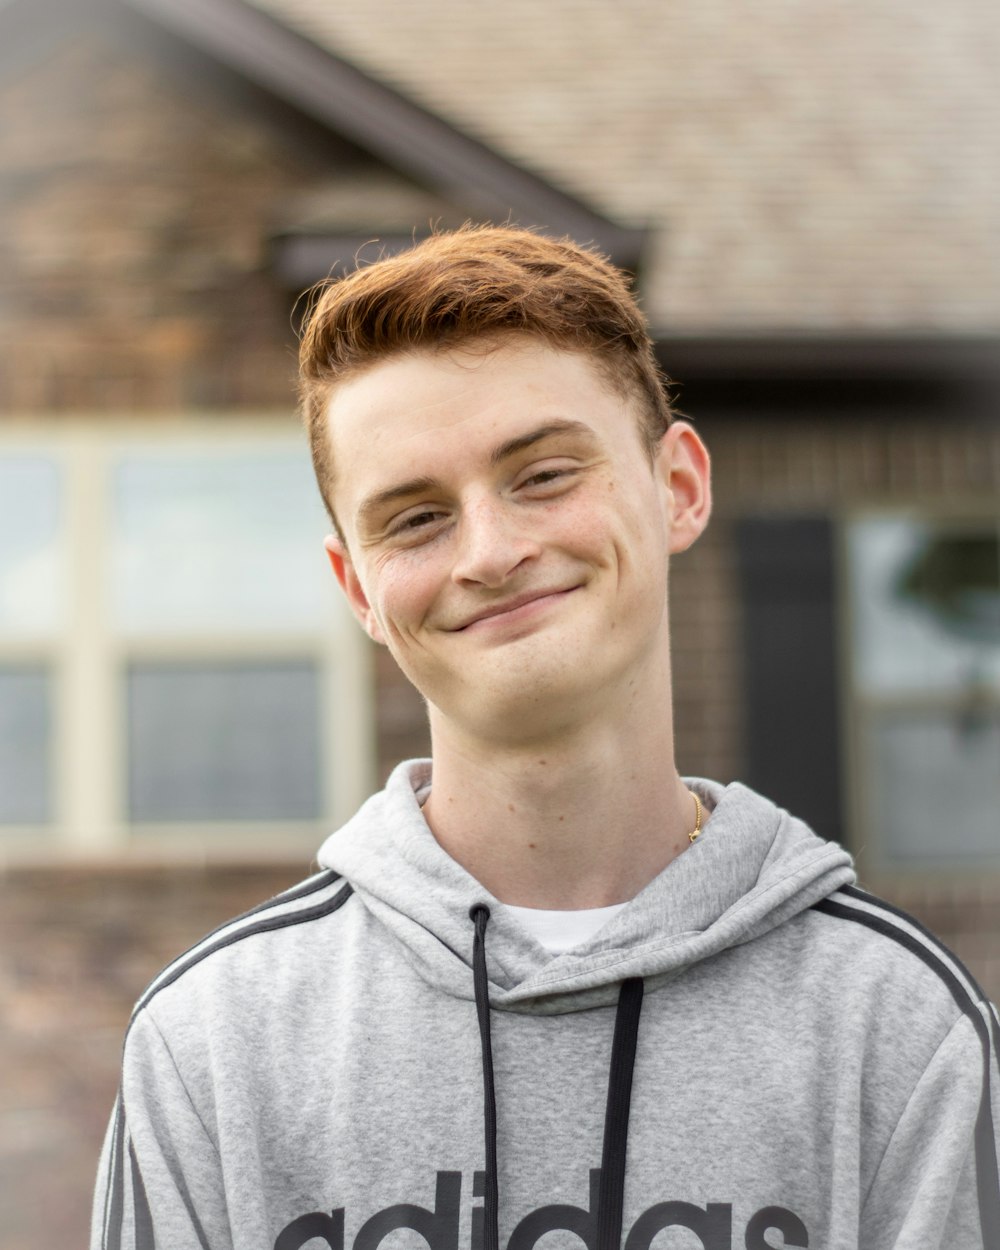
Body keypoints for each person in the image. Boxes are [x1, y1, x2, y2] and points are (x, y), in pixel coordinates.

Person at [93, 225, 1000, 1250]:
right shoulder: (215, 1044)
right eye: (415, 517)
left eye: (543, 475)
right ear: (359, 591)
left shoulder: (900, 1027)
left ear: (680, 488)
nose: (490, 550)